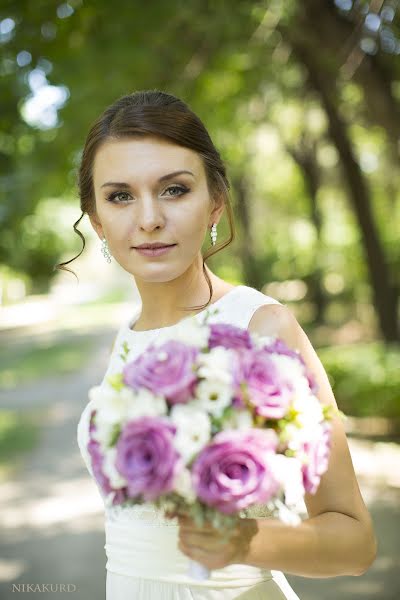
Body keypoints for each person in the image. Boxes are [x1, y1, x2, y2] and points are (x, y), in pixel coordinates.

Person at [59, 90, 377, 599]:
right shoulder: (125, 340)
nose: (148, 219)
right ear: (96, 220)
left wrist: (243, 539)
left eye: (174, 190)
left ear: (215, 203)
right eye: (120, 196)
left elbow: (355, 543)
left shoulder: (262, 329)